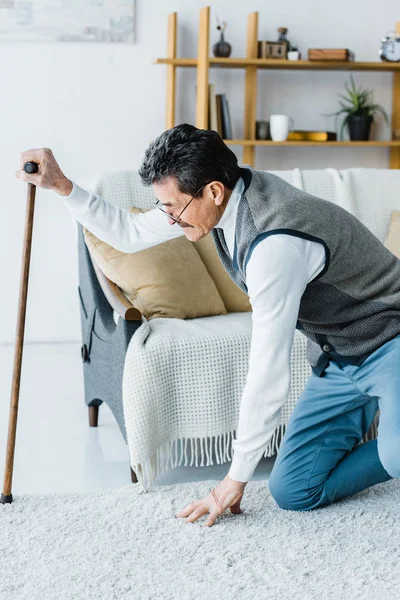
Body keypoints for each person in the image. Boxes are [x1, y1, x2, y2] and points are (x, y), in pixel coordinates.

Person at [16, 124, 400, 528]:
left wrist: (234, 480)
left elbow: (268, 371)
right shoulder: (215, 200)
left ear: (214, 192)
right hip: (339, 356)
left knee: (395, 452)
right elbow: (128, 233)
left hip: (390, 339)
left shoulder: (275, 243)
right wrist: (62, 186)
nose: (167, 217)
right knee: (294, 490)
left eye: (172, 207)